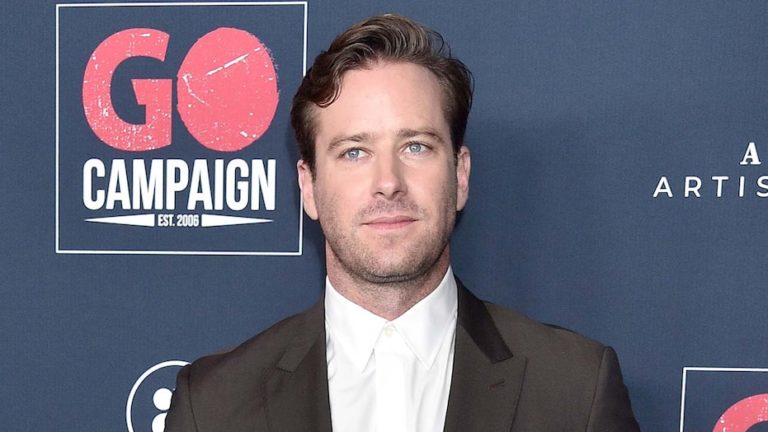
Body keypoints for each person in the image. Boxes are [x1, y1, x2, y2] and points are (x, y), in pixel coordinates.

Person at [165, 14, 640, 432]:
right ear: (308, 188)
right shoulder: (213, 405)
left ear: (460, 175)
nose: (388, 182)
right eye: (355, 152)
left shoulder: (575, 390)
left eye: (416, 146)